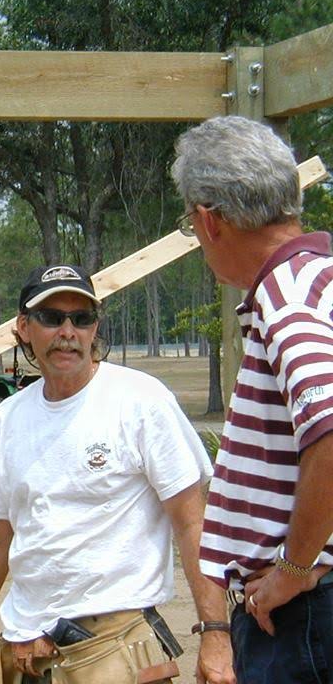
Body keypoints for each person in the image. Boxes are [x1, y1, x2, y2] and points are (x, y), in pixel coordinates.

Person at [0, 264, 234, 684]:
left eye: (81, 319)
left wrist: (216, 634)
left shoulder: (141, 401)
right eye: (51, 318)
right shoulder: (5, 421)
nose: (68, 332)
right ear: (24, 327)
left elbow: (192, 523)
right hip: (26, 652)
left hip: (118, 651)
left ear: (94, 327)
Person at [172, 115, 333, 684]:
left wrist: (294, 566)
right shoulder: (320, 282)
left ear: (209, 220)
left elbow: (330, 432)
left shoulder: (287, 299)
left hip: (302, 620)